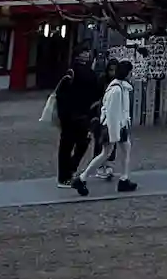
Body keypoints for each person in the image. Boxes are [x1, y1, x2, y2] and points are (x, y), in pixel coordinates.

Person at [74, 61, 137, 195]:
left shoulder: (120, 88)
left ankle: (124, 179)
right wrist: (115, 134)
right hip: (114, 127)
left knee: (123, 149)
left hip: (119, 126)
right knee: (106, 153)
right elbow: (112, 113)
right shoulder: (117, 90)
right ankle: (82, 178)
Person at [53, 55, 102, 187]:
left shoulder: (73, 72)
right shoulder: (81, 73)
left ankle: (67, 173)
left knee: (71, 144)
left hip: (73, 114)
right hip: (78, 114)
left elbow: (61, 94)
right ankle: (67, 173)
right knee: (77, 143)